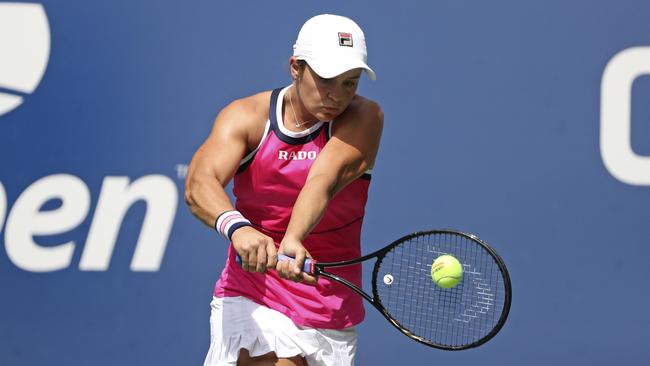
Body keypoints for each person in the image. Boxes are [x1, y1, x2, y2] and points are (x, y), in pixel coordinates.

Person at [185, 14, 383, 366]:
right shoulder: (246, 116)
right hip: (252, 290)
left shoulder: (365, 117)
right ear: (296, 68)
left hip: (325, 300)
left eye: (349, 83)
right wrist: (238, 227)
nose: (337, 96)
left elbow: (323, 179)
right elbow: (199, 182)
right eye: (326, 80)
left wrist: (293, 239)